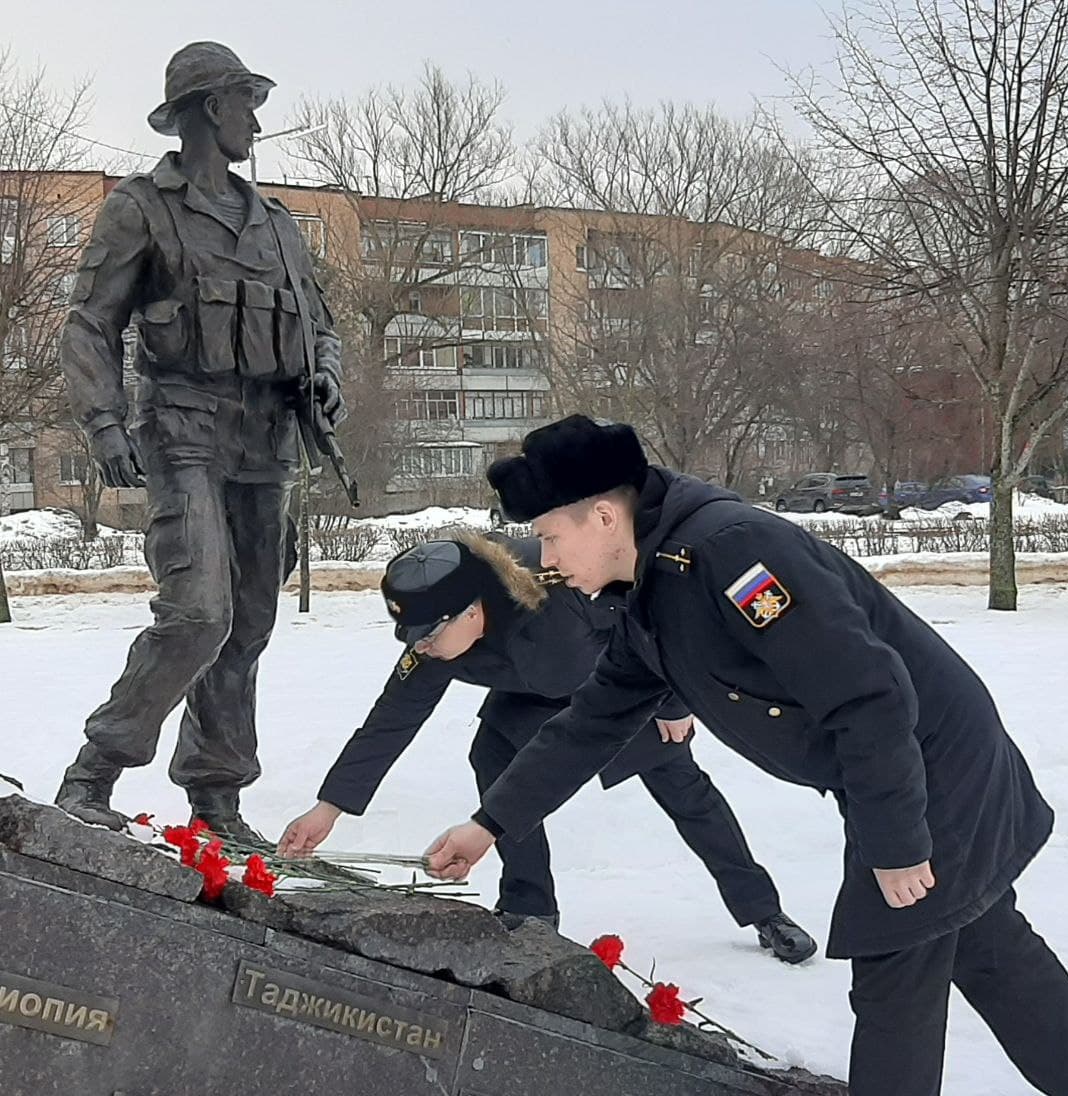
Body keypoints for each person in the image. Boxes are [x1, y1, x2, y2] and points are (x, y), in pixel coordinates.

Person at [425, 415, 1068, 1095]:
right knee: (990, 952)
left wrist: (895, 842)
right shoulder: (650, 586)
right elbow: (590, 721)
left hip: (925, 767)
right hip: (897, 768)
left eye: (550, 538)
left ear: (605, 517)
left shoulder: (732, 553)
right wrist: (489, 824)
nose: (546, 562)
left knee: (896, 975)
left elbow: (870, 696)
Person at [53, 42, 345, 842]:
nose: (255, 119)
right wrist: (107, 423)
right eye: (246, 103)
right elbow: (89, 323)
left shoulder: (278, 224)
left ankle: (216, 798)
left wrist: (325, 376)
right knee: (196, 614)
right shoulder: (142, 206)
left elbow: (320, 328)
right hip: (183, 432)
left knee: (248, 624)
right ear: (210, 109)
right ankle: (94, 772)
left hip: (267, 439)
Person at [279, 532, 816, 961]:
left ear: (470, 611)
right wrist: (329, 808)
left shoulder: (560, 585)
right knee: (492, 759)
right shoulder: (437, 636)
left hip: (618, 691)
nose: (420, 648)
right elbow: (391, 719)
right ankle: (528, 909)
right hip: (528, 694)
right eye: (412, 638)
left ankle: (764, 911)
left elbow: (663, 616)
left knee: (684, 790)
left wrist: (674, 702)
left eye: (427, 636)